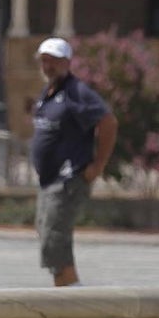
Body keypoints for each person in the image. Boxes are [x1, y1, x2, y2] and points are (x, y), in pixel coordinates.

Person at [30, 37, 118, 287]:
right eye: (44, 60)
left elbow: (108, 122)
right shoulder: (48, 93)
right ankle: (66, 293)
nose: (48, 66)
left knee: (55, 239)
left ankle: (72, 299)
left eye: (54, 61)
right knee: (47, 235)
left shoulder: (76, 92)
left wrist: (97, 165)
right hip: (49, 181)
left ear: (67, 62)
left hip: (68, 180)